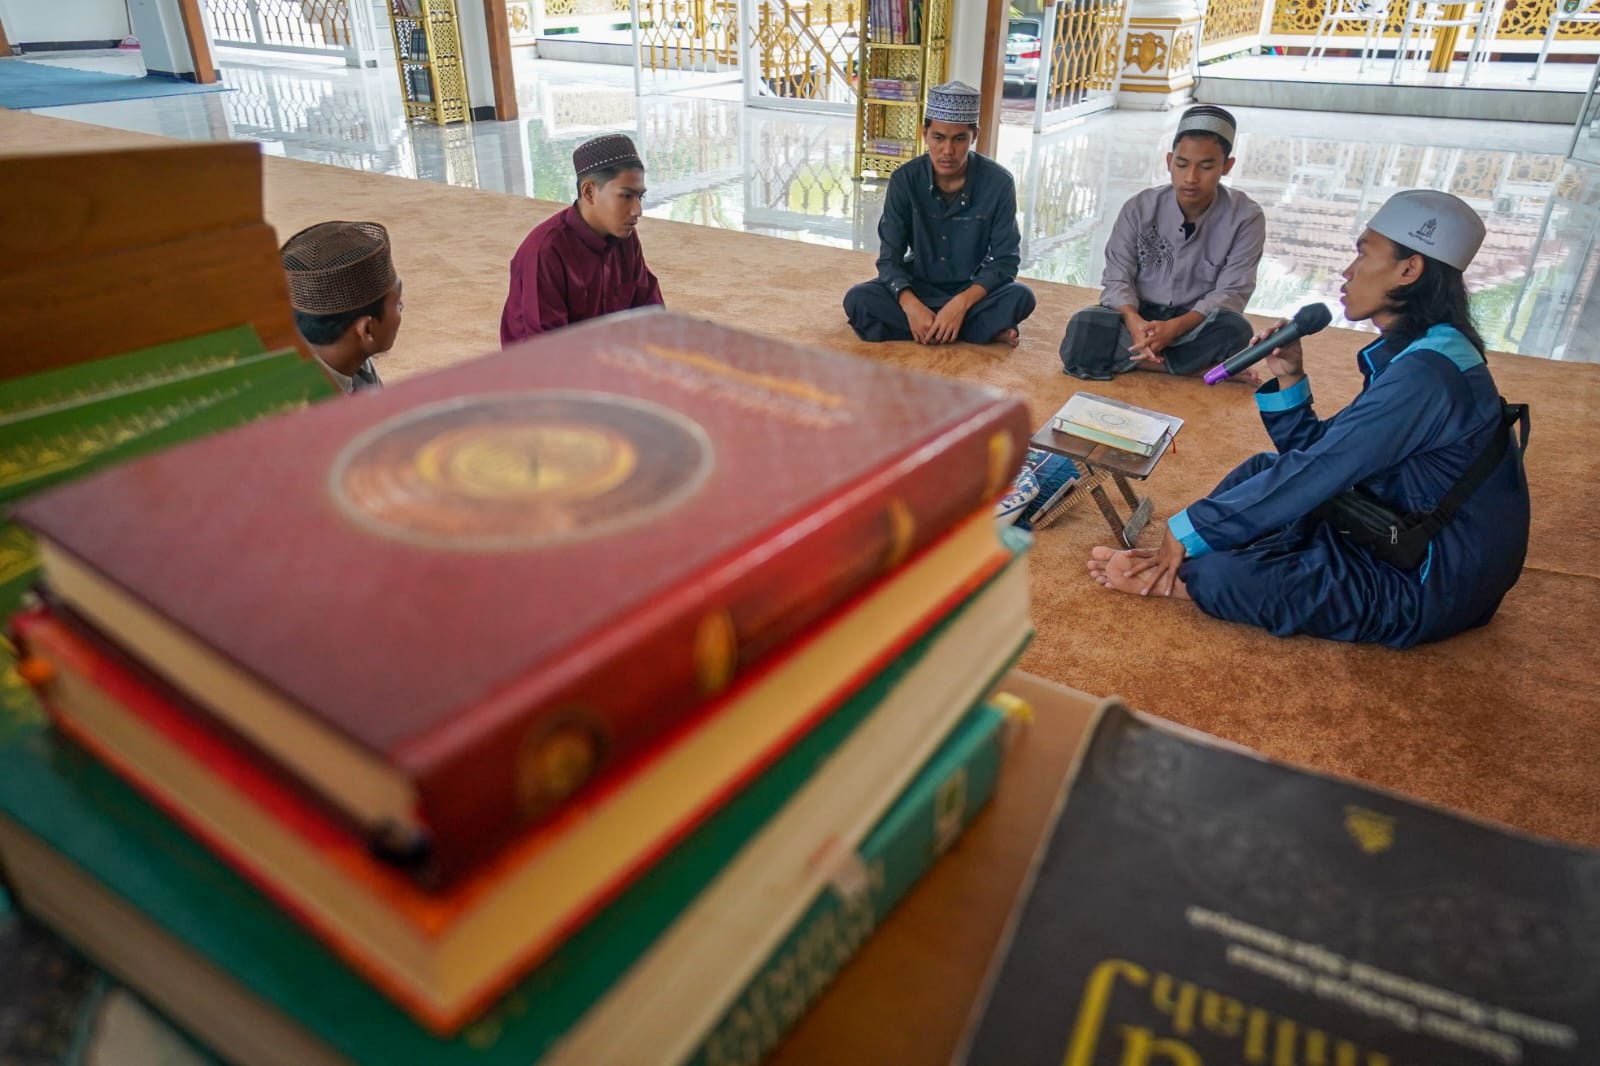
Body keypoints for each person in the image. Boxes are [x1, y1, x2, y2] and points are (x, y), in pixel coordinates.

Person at [1087, 189, 1530, 650]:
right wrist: (1290, 376)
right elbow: (1325, 454)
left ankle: (1176, 578)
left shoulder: (1427, 376)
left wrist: (1187, 529)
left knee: (1223, 574)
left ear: (1409, 269)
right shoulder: (1427, 350)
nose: (1347, 271)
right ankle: (1187, 560)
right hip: (1393, 524)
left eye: (1364, 253)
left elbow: (1322, 469)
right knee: (1261, 472)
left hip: (1428, 583)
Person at [1060, 105, 1265, 380]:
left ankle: (1137, 359)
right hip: (1139, 315)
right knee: (1085, 325)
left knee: (1235, 329)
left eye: (1206, 167)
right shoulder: (1139, 208)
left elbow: (1232, 292)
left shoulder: (1246, 217)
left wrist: (1175, 328)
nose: (1190, 178)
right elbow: (1117, 277)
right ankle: (1198, 368)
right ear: (1169, 161)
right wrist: (1134, 322)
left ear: (1226, 166)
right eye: (1182, 164)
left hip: (1196, 320)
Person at [843, 81, 1036, 348]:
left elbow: (1005, 261)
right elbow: (889, 259)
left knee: (1021, 296)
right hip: (919, 285)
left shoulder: (999, 182)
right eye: (938, 137)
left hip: (973, 290)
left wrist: (960, 304)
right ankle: (975, 330)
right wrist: (910, 305)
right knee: (858, 300)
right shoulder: (904, 180)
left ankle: (941, 325)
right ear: (925, 133)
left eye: (959, 139)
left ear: (974, 135)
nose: (948, 150)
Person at [500, 133, 664, 345]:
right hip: (547, 362)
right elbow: (546, 347)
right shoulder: (546, 251)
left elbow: (649, 311)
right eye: (626, 196)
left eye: (640, 197)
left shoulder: (625, 239)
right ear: (588, 192)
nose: (637, 210)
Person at [280, 220, 403, 394]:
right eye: (398, 303)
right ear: (367, 330)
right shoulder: (308, 403)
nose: (401, 307)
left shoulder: (348, 358)